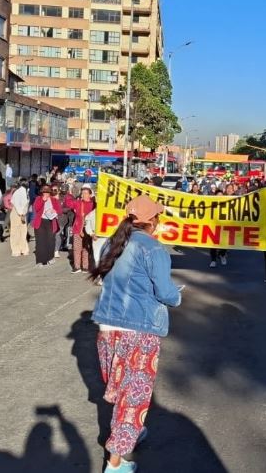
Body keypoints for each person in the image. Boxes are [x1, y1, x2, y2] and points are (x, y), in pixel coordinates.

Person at [89, 195, 182, 473]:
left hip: (107, 327)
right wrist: (176, 297)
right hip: (139, 329)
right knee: (133, 395)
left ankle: (130, 431)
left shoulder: (111, 242)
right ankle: (115, 462)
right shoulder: (153, 249)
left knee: (120, 388)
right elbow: (166, 293)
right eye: (158, 217)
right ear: (152, 221)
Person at [32, 185, 63, 266]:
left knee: (50, 240)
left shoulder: (54, 200)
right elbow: (36, 208)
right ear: (42, 192)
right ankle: (40, 260)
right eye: (44, 192)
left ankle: (50, 258)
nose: (46, 194)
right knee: (40, 241)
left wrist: (54, 210)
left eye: (48, 192)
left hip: (51, 222)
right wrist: (42, 200)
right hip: (40, 221)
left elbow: (60, 211)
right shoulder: (38, 199)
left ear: (50, 193)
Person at [68, 185, 96, 274]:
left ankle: (85, 266)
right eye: (82, 193)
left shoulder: (94, 205)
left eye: (86, 193)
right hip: (77, 228)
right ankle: (77, 267)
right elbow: (69, 203)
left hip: (89, 230)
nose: (83, 195)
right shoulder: (78, 203)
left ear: (90, 195)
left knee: (86, 248)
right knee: (76, 248)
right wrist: (69, 193)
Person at [7, 179, 31, 257]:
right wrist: (21, 214)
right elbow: (17, 204)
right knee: (15, 231)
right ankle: (16, 250)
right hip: (17, 213)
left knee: (23, 231)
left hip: (22, 213)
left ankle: (23, 249)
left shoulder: (25, 191)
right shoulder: (19, 192)